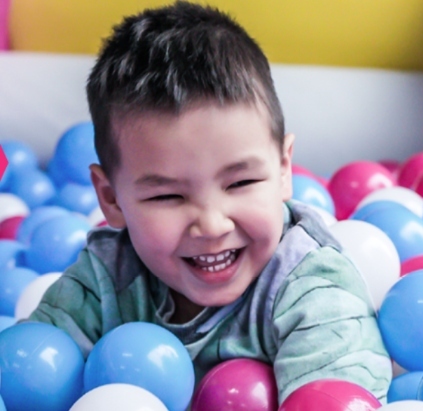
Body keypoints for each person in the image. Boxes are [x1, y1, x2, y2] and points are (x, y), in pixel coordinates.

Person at [29, 0, 392, 402]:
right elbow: (27, 375)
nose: (213, 224)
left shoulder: (312, 290)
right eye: (168, 195)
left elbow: (331, 400)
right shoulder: (103, 282)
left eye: (241, 183)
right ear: (111, 199)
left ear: (284, 169)